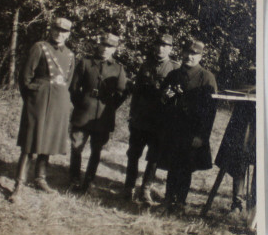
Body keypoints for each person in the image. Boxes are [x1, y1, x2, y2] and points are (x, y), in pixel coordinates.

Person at [11, 18, 75, 201]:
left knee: (48, 141)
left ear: (68, 34)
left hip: (59, 102)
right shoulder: (39, 47)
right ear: (51, 30)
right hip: (38, 101)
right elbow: (25, 78)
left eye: (64, 31)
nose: (59, 34)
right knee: (31, 143)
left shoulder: (70, 54)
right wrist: (33, 99)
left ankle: (40, 178)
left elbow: (67, 82)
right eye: (56, 29)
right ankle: (19, 185)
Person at [160, 39, 217, 213]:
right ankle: (168, 200)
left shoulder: (207, 78)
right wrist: (167, 95)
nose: (189, 57)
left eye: (194, 54)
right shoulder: (174, 74)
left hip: (192, 131)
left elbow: (210, 112)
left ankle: (180, 203)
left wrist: (201, 136)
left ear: (200, 56)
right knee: (172, 165)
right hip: (173, 129)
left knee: (186, 167)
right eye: (187, 53)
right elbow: (163, 101)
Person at [123, 33, 180, 203]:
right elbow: (137, 93)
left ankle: (145, 189)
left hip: (159, 122)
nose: (160, 48)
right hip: (141, 119)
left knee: (154, 157)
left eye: (165, 46)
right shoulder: (145, 66)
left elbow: (175, 97)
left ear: (170, 49)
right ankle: (129, 187)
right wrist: (132, 115)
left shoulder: (175, 69)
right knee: (133, 154)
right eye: (158, 45)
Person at [69, 33, 127, 193]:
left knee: (96, 150)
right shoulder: (86, 63)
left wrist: (110, 107)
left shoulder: (118, 68)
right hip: (83, 112)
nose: (105, 49)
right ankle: (74, 178)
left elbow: (122, 93)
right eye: (103, 45)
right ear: (98, 45)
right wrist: (80, 103)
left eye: (109, 47)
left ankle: (89, 180)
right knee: (76, 146)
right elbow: (73, 88)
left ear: (114, 49)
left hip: (103, 116)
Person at [215, 70, 256, 216]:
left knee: (260, 166)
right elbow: (237, 88)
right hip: (244, 124)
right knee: (240, 161)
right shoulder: (251, 71)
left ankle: (255, 206)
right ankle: (237, 203)